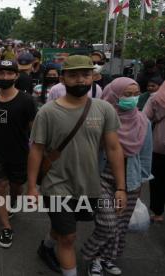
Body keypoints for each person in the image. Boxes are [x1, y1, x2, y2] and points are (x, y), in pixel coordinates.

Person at [27, 55, 126, 276]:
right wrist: (32, 186)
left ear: (94, 76)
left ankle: (46, 248)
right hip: (56, 185)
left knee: (63, 228)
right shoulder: (47, 112)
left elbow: (113, 148)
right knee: (69, 237)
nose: (80, 80)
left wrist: (121, 187)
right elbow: (36, 150)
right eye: (73, 75)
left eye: (85, 74)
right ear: (63, 78)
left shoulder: (104, 109)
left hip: (89, 185)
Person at [82, 77, 153, 276]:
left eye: (135, 94)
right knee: (108, 223)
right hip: (102, 177)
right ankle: (90, 254)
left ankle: (105, 259)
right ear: (114, 95)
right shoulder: (100, 118)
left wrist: (140, 181)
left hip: (131, 180)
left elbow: (146, 155)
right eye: (126, 95)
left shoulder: (143, 121)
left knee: (121, 226)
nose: (132, 99)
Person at [0, 60, 37, 248]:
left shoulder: (27, 101)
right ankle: (6, 227)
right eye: (1, 73)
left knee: (16, 187)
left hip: (19, 154)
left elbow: (34, 130)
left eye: (9, 74)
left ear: (16, 76)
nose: (5, 77)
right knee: (0, 187)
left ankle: (13, 201)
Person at [144, 81, 165, 223]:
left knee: (158, 181)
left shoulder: (156, 98)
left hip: (159, 147)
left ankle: (158, 214)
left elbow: (144, 119)